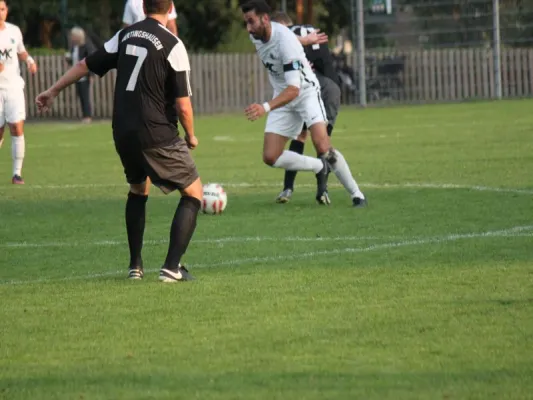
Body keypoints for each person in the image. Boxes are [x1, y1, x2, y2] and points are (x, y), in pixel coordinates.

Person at [36, 0, 202, 283]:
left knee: (138, 189)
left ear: (144, 6)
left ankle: (135, 266)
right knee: (194, 193)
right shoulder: (173, 44)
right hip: (155, 131)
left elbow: (84, 64)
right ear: (170, 7)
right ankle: (172, 267)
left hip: (123, 130)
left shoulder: (126, 35)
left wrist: (52, 90)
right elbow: (184, 106)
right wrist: (191, 135)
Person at [242, 0, 363, 206]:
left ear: (264, 19)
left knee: (323, 145)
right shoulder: (259, 35)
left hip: (305, 93)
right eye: (246, 22)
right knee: (270, 156)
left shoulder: (285, 43)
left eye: (251, 22)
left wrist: (265, 107)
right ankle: (318, 166)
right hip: (284, 95)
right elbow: (288, 37)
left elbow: (294, 89)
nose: (248, 28)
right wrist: (304, 40)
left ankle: (357, 195)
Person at [271, 12, 366, 207]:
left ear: (281, 25)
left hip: (309, 87)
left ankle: (289, 188)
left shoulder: (282, 36)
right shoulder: (306, 31)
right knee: (322, 143)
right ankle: (327, 191)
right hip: (329, 86)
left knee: (301, 137)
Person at [0, 0, 38, 184]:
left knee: (16, 127)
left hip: (14, 87)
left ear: (6, 11)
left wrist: (29, 60)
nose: (0, 12)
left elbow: (20, 51)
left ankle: (17, 173)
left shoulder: (14, 31)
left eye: (2, 9)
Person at [65, 26, 95, 123]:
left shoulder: (86, 46)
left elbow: (90, 61)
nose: (71, 38)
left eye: (73, 36)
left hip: (84, 76)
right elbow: (73, 61)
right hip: (76, 76)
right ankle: (84, 115)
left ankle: (88, 116)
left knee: (85, 96)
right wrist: (68, 59)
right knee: (80, 96)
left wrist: (91, 75)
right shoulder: (73, 47)